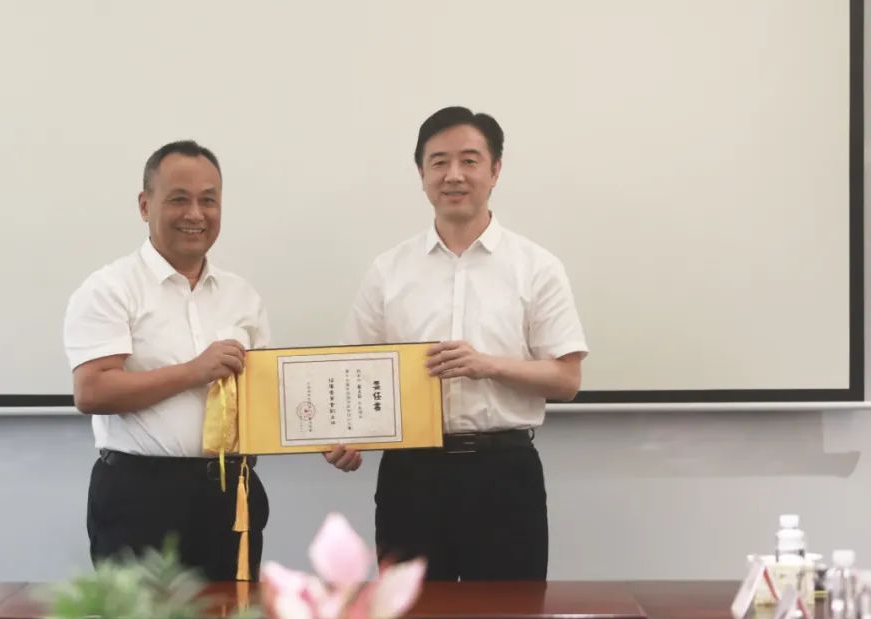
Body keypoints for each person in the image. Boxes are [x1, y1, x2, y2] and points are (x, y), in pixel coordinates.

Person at [326, 107, 588, 581]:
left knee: (511, 617)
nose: (453, 175)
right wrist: (345, 437)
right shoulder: (389, 271)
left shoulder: (537, 267)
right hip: (411, 476)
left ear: (495, 170)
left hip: (504, 472)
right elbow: (354, 374)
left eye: (469, 161)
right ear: (421, 174)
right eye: (439, 162)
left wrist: (487, 365)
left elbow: (567, 378)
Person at [64, 140, 270, 580]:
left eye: (208, 200)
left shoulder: (242, 296)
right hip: (140, 497)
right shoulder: (110, 289)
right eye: (179, 199)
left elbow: (266, 394)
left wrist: (328, 434)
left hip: (231, 495)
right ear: (145, 205)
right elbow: (92, 391)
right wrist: (194, 372)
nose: (195, 214)